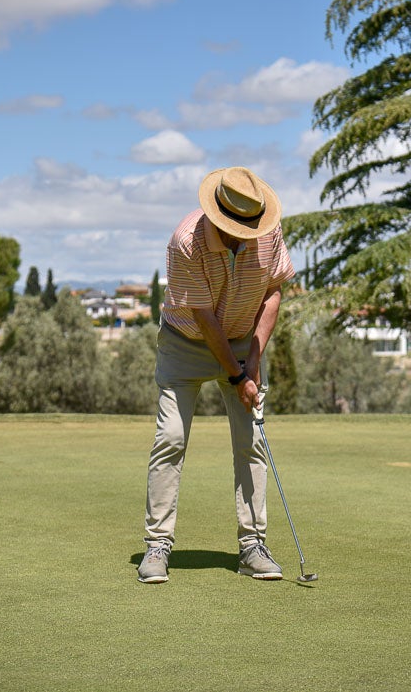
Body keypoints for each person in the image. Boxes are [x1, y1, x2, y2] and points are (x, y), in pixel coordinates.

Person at [137, 167, 295, 583]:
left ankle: (253, 546)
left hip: (243, 340)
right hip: (186, 341)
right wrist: (237, 376)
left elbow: (274, 291)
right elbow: (205, 319)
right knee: (170, 437)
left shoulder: (268, 231)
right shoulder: (185, 240)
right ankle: (157, 546)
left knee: (252, 440)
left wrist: (254, 363)